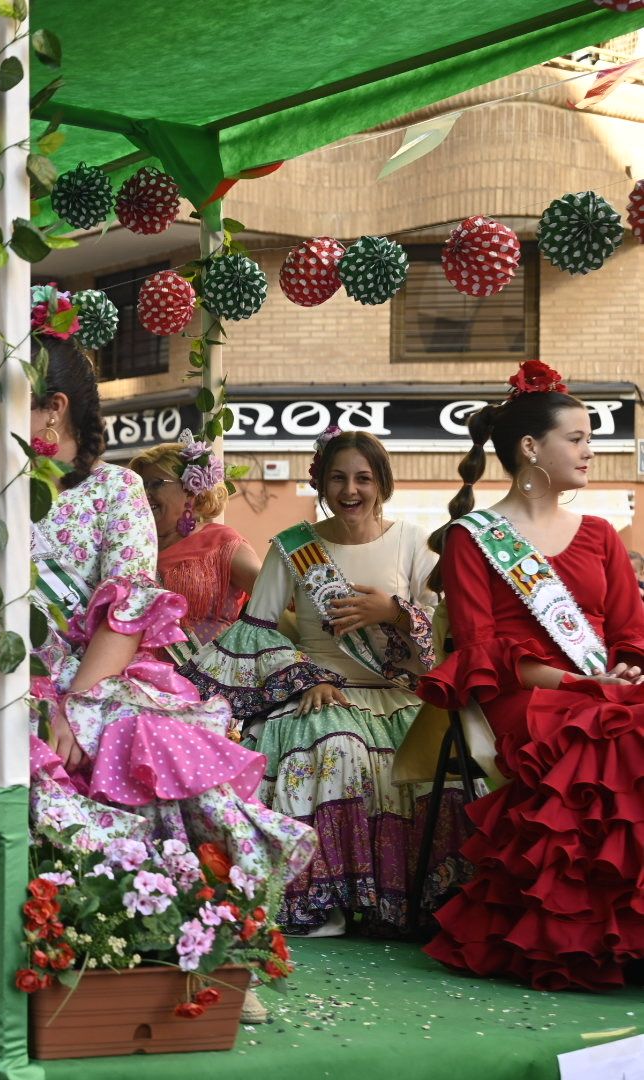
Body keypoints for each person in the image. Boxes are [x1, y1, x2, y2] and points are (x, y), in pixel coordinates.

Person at [0, 337, 315, 905]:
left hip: (78, 672)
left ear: (54, 408)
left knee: (138, 750)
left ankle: (125, 915)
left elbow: (127, 611)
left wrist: (74, 707)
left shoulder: (117, 490)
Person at [418, 361, 644, 991]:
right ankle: (587, 937)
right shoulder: (472, 539)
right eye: (577, 438)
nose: (590, 451)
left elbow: (631, 632)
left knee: (620, 723)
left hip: (605, 691)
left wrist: (626, 665)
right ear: (530, 448)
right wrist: (586, 686)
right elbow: (483, 650)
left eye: (590, 439)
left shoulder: (600, 535)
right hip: (526, 700)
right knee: (615, 731)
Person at [185, 430, 459, 936]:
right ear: (322, 483)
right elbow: (256, 631)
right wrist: (306, 677)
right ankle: (325, 898)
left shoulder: (414, 542)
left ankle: (409, 902)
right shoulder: (294, 547)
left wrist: (395, 612)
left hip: (400, 694)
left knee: (436, 763)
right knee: (336, 747)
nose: (350, 490)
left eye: (363, 478)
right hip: (321, 691)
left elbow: (446, 628)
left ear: (382, 483)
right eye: (338, 478)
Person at [130, 437, 260, 652]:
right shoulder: (131, 547)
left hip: (208, 670)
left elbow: (275, 596)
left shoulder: (221, 542)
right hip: (134, 668)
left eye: (155, 483)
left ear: (190, 490)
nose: (144, 494)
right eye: (140, 486)